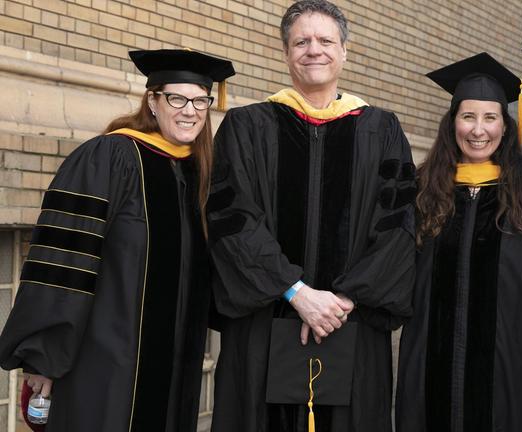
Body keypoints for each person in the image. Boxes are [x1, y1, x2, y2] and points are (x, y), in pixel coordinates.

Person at [205, 0, 416, 431]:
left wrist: (343, 300)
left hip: (349, 325)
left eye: (325, 40)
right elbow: (232, 219)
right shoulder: (246, 126)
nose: (313, 50)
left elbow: (397, 225)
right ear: (285, 53)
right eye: (301, 41)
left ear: (344, 51)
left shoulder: (382, 129)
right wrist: (296, 292)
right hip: (266, 326)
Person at [0, 49, 235, 431]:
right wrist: (43, 356)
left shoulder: (202, 174)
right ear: (153, 101)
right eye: (176, 98)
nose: (189, 110)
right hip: (106, 366)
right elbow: (65, 261)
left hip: (177, 370)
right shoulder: (111, 157)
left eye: (199, 100)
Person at [395, 52, 522, 431]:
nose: (478, 130)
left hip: (511, 362)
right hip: (431, 360)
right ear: (452, 124)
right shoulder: (422, 187)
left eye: (490, 117)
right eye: (468, 117)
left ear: (505, 125)